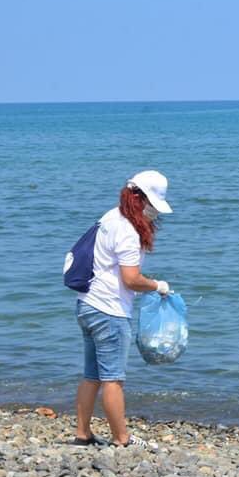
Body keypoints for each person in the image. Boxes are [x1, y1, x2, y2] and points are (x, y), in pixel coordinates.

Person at [71, 170, 174, 448]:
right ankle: (121, 438)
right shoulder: (128, 230)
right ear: (139, 198)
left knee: (92, 375)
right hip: (109, 312)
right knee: (114, 379)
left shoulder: (110, 217)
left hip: (87, 305)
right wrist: (157, 286)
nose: (154, 212)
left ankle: (83, 434)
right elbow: (130, 279)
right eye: (152, 205)